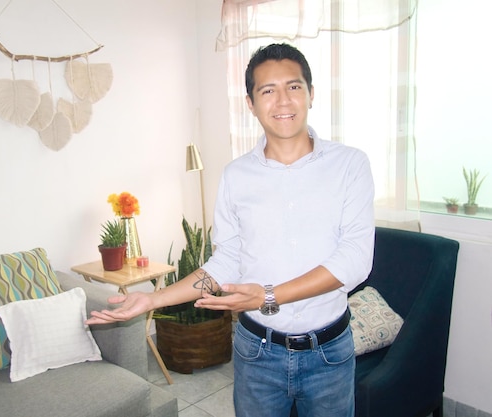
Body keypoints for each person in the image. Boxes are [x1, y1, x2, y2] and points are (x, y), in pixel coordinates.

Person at [87, 42, 375, 417]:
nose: (283, 101)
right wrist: (153, 300)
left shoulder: (350, 165)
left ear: (311, 93)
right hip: (257, 353)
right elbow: (227, 262)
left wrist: (267, 296)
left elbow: (354, 260)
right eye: (267, 91)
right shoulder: (236, 176)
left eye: (294, 86)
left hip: (329, 352)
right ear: (251, 103)